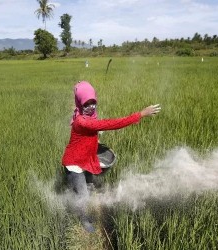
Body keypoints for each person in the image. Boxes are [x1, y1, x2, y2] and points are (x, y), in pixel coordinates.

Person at [62, 81, 161, 232]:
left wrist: (96, 140)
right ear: (80, 103)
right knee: (82, 195)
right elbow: (110, 124)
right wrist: (140, 114)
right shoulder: (81, 120)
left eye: (93, 102)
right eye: (87, 103)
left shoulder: (89, 116)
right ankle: (84, 220)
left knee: (88, 186)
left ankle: (84, 194)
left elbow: (92, 132)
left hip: (85, 158)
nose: (91, 106)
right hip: (75, 163)